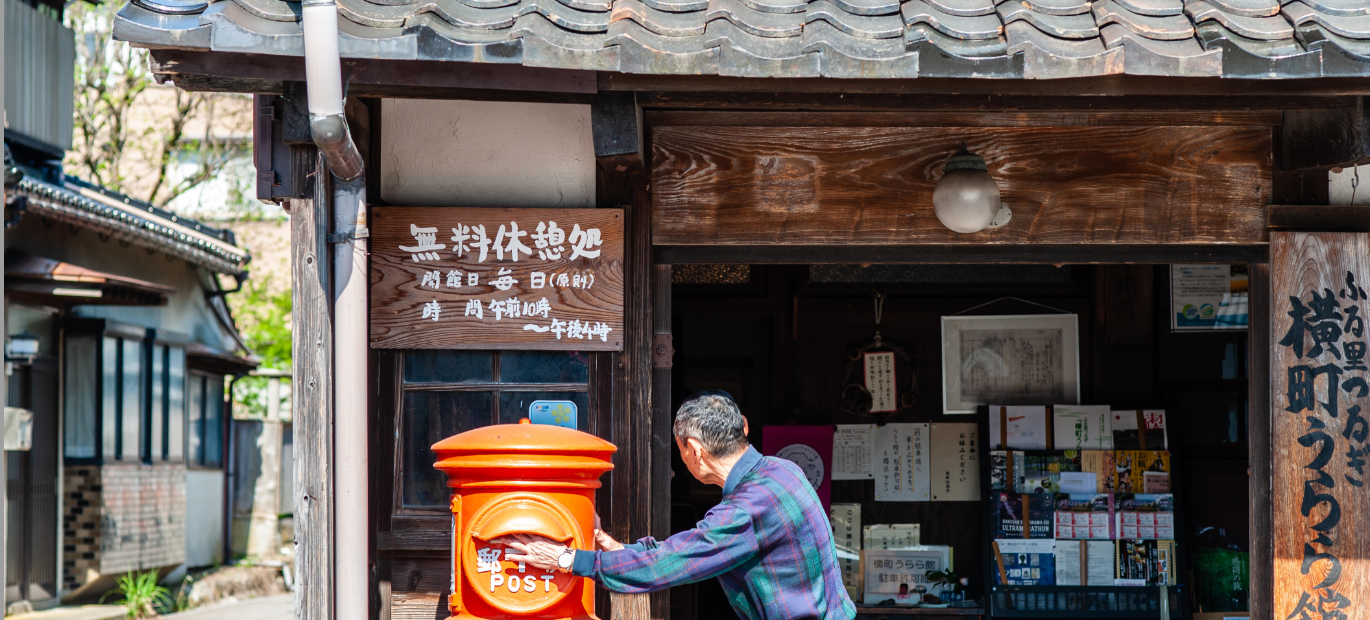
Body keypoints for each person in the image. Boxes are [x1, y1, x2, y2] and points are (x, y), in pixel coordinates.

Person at [502, 391, 856, 620]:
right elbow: (687, 550)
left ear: (694, 449)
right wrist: (619, 549)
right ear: (743, 427)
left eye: (680, 450)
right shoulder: (783, 470)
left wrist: (566, 559)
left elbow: (676, 562)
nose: (682, 461)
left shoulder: (747, 509)